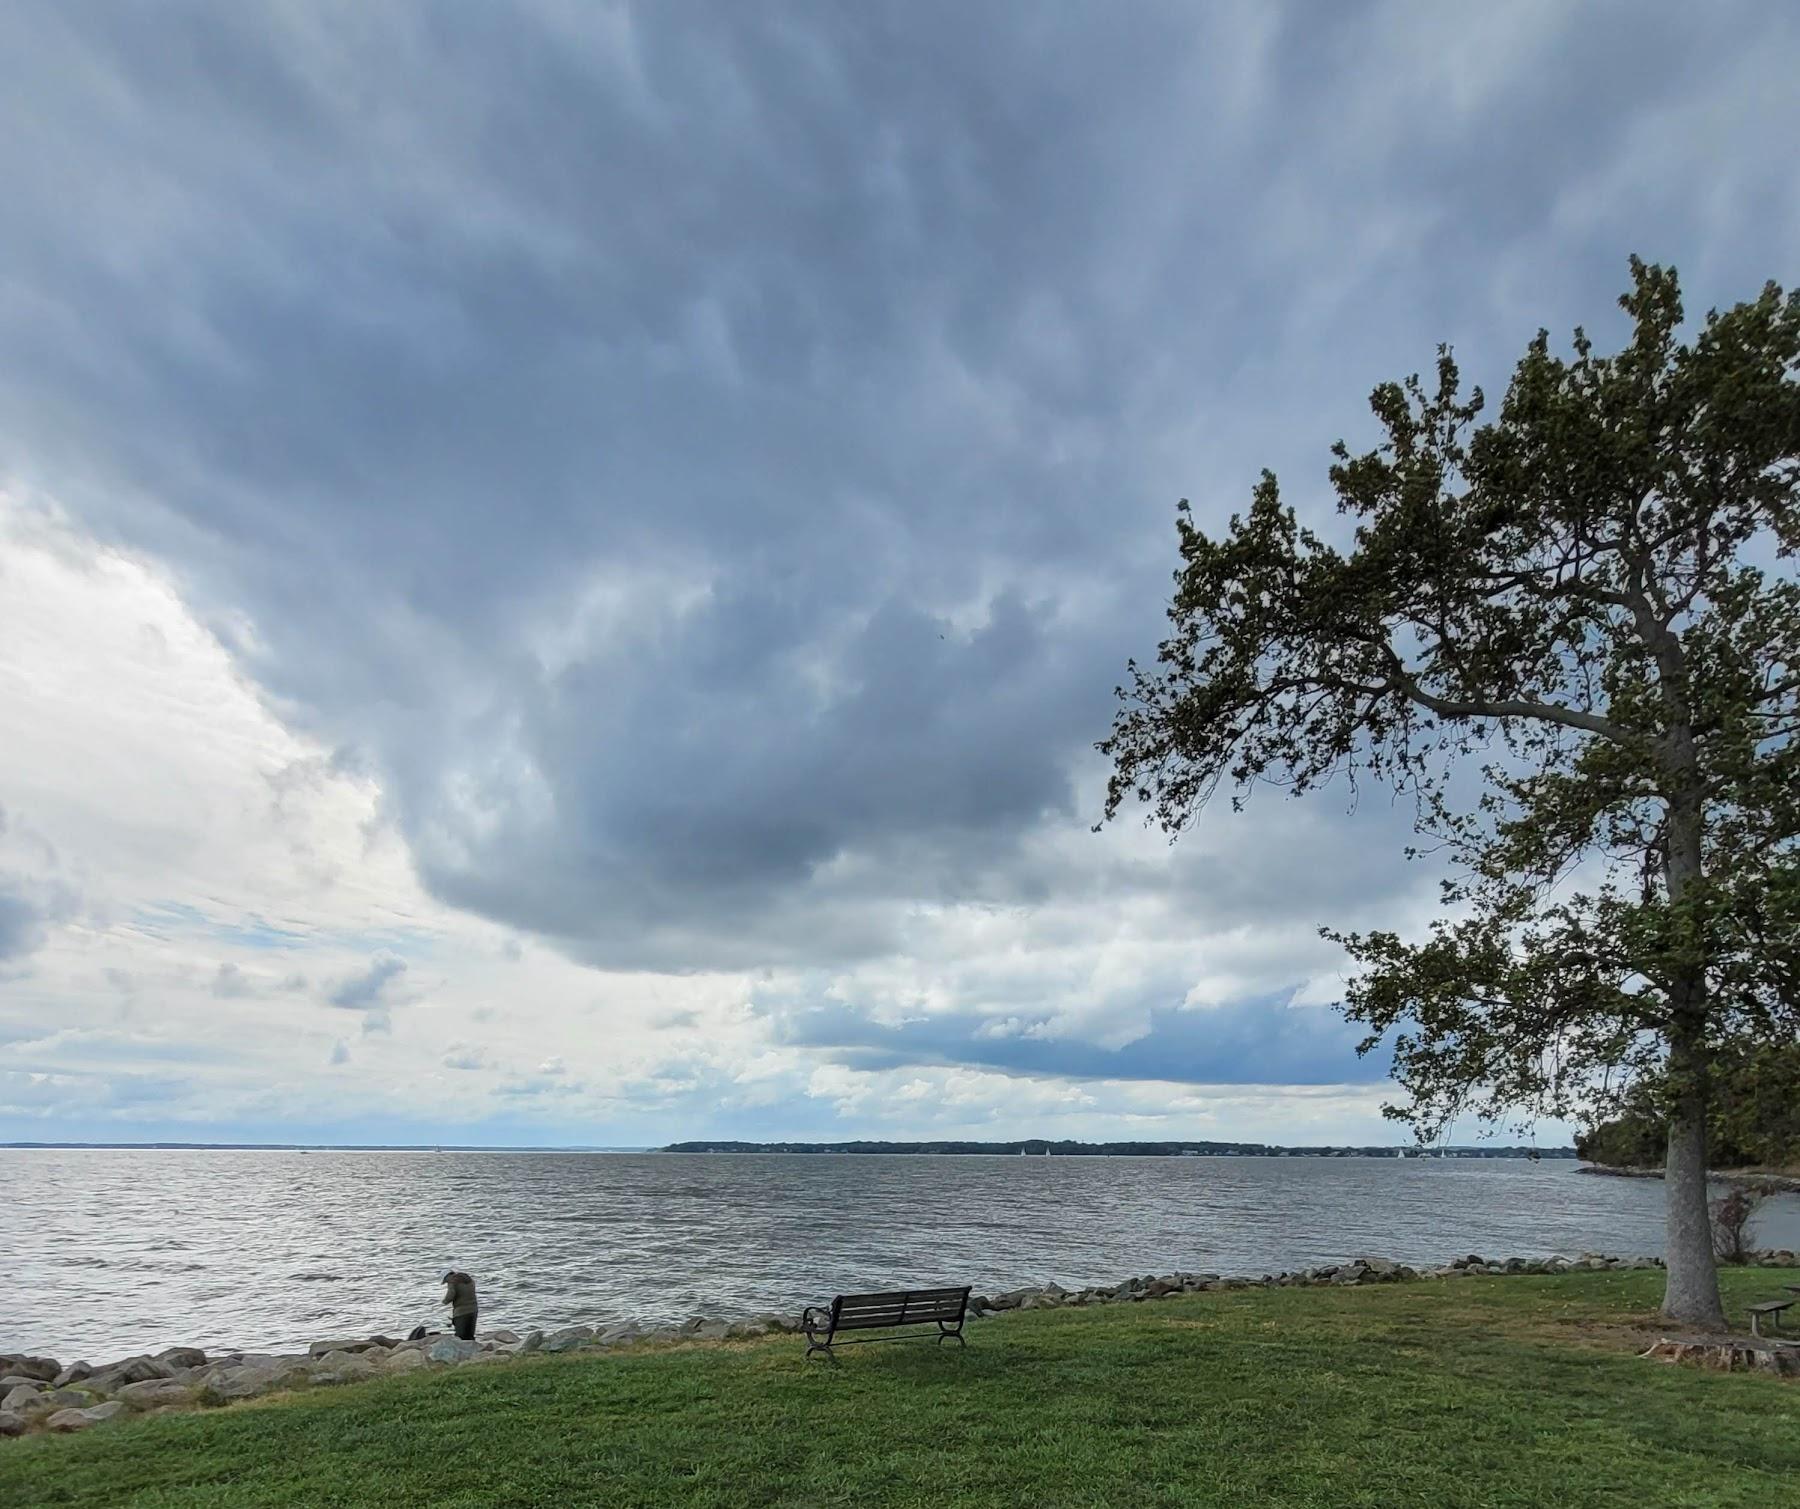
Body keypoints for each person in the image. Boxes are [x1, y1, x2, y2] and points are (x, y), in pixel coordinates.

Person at [441, 1269, 478, 1340]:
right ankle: (473, 1350)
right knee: (470, 1335)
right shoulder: (469, 1280)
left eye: (445, 1281)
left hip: (461, 1313)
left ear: (447, 1277)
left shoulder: (452, 1281)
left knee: (460, 1337)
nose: (446, 1282)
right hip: (473, 1310)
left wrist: (444, 1302)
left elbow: (451, 1295)